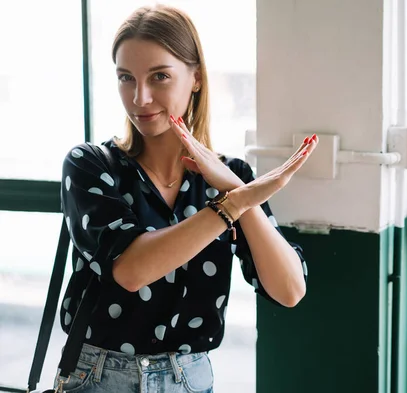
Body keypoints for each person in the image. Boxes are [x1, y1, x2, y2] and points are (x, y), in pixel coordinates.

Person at [55, 4, 317, 392]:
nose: (140, 98)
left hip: (190, 378)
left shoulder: (233, 181)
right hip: (99, 376)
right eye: (126, 78)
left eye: (159, 76)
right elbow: (131, 270)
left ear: (196, 78)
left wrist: (236, 193)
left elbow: (289, 290)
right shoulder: (92, 165)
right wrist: (232, 205)